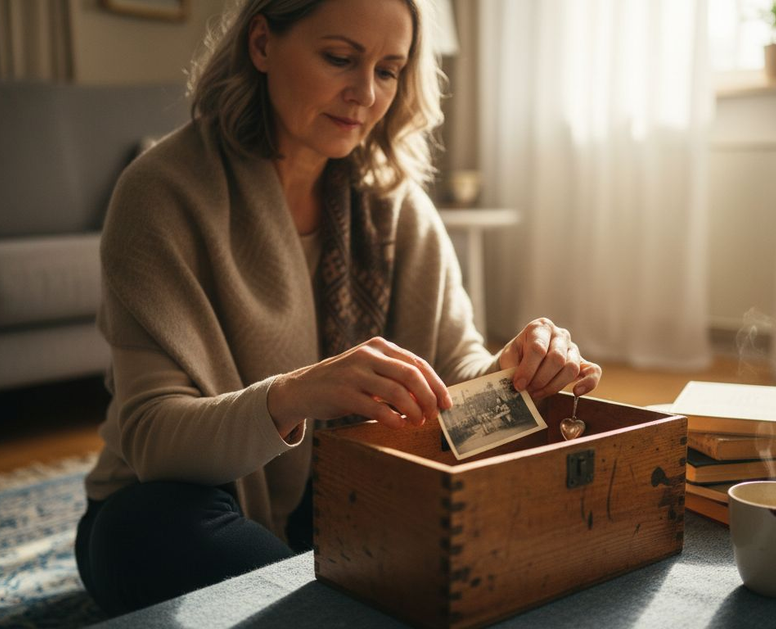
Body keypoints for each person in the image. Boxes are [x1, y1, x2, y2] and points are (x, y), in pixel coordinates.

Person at [74, 0, 602, 616]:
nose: (365, 94)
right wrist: (297, 394)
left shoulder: (397, 205)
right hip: (178, 502)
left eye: (388, 69)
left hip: (345, 501)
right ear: (263, 44)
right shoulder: (160, 194)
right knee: (150, 528)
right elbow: (153, 439)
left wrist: (518, 378)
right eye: (340, 59)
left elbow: (458, 391)